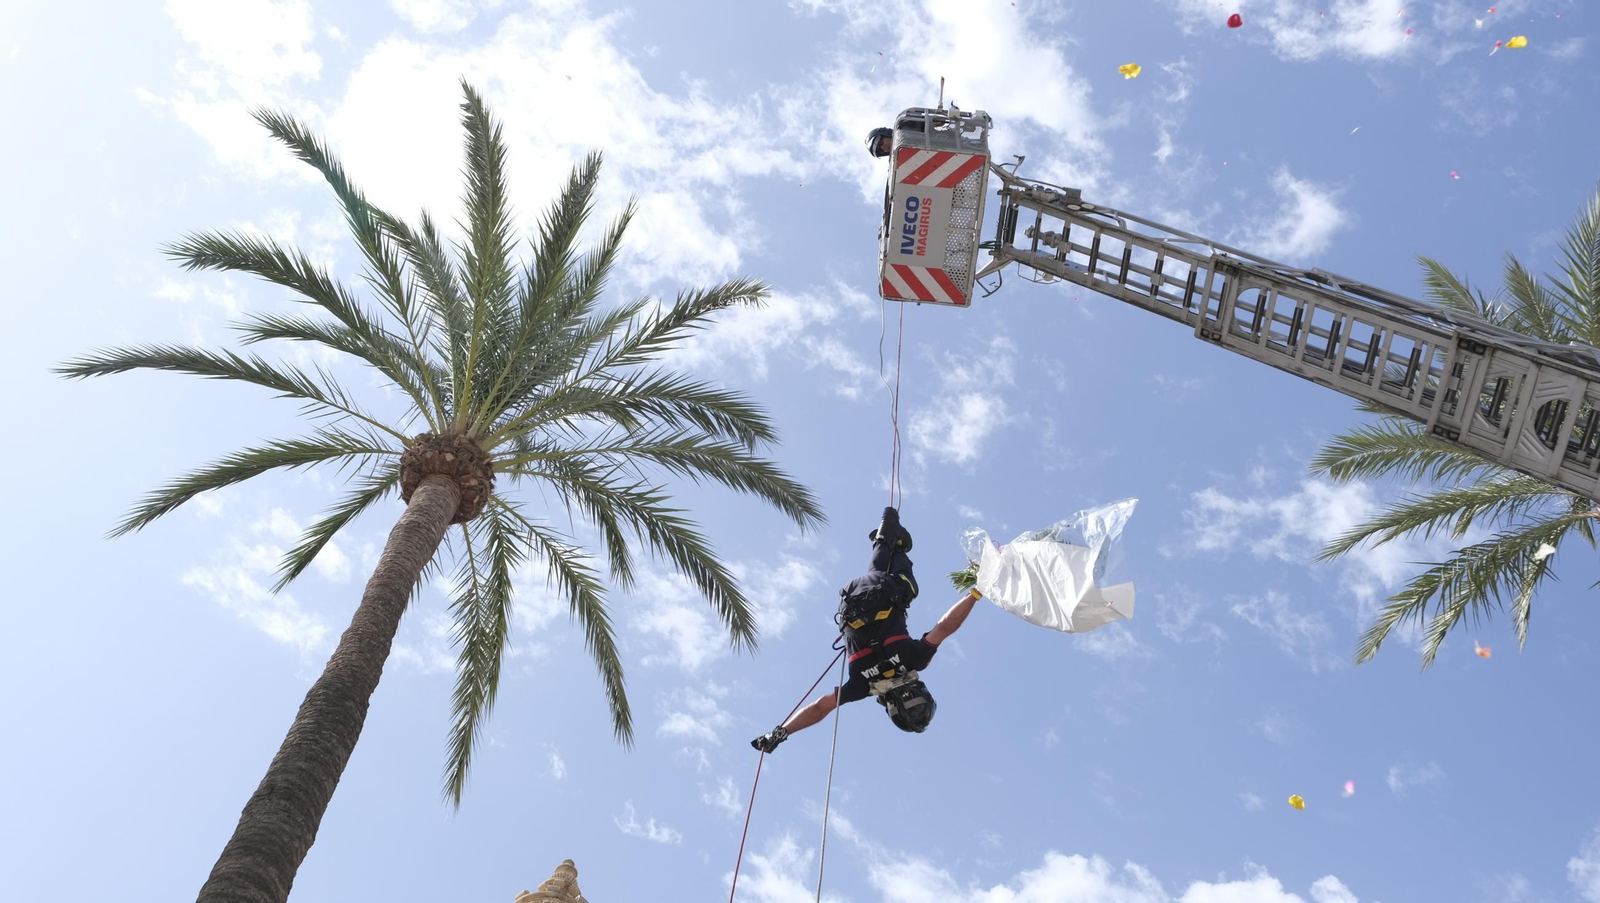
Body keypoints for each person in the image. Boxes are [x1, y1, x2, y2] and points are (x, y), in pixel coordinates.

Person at [751, 507, 982, 753]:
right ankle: (883, 539)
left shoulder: (915, 660)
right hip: (849, 602)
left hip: (881, 592)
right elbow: (820, 708)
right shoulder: (861, 686)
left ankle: (896, 542)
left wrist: (977, 593)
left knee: (906, 587)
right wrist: (781, 732)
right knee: (877, 578)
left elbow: (946, 626)